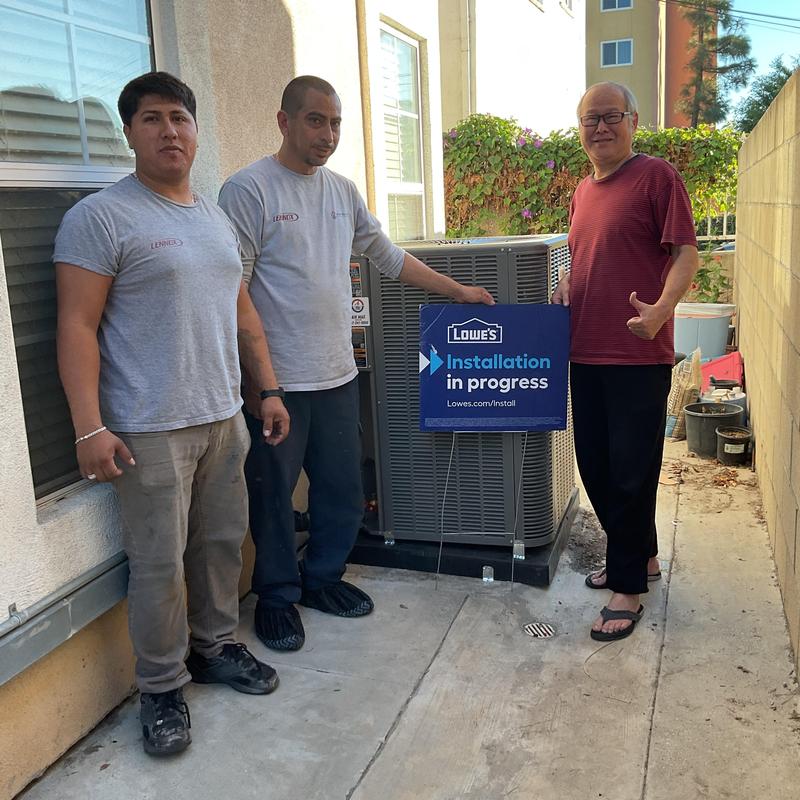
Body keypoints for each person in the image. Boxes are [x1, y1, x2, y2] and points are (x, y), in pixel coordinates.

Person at [54, 71, 290, 756]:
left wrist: (266, 390)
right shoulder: (100, 218)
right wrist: (88, 427)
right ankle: (160, 688)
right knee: (158, 564)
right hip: (147, 429)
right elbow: (75, 325)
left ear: (195, 129)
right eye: (152, 119)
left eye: (180, 118)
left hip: (223, 416)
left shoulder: (212, 217)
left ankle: (215, 648)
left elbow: (242, 311)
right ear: (129, 132)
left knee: (220, 546)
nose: (170, 131)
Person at [219, 75, 494, 653]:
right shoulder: (249, 190)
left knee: (342, 488)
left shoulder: (342, 193)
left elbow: (389, 257)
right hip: (279, 384)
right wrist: (259, 383)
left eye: (335, 122)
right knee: (272, 495)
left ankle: (322, 579)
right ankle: (275, 596)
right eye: (315, 120)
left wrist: (457, 292)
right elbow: (233, 292)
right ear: (284, 121)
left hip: (337, 375)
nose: (327, 134)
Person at [551, 81, 698, 642]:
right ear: (580, 127)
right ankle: (644, 556)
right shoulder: (583, 191)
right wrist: (567, 282)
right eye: (591, 118)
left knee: (631, 471)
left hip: (637, 352)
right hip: (584, 350)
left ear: (633, 121)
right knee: (596, 465)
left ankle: (628, 586)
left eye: (612, 116)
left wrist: (662, 309)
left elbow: (686, 250)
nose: (601, 127)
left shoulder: (657, 177)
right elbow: (587, 255)